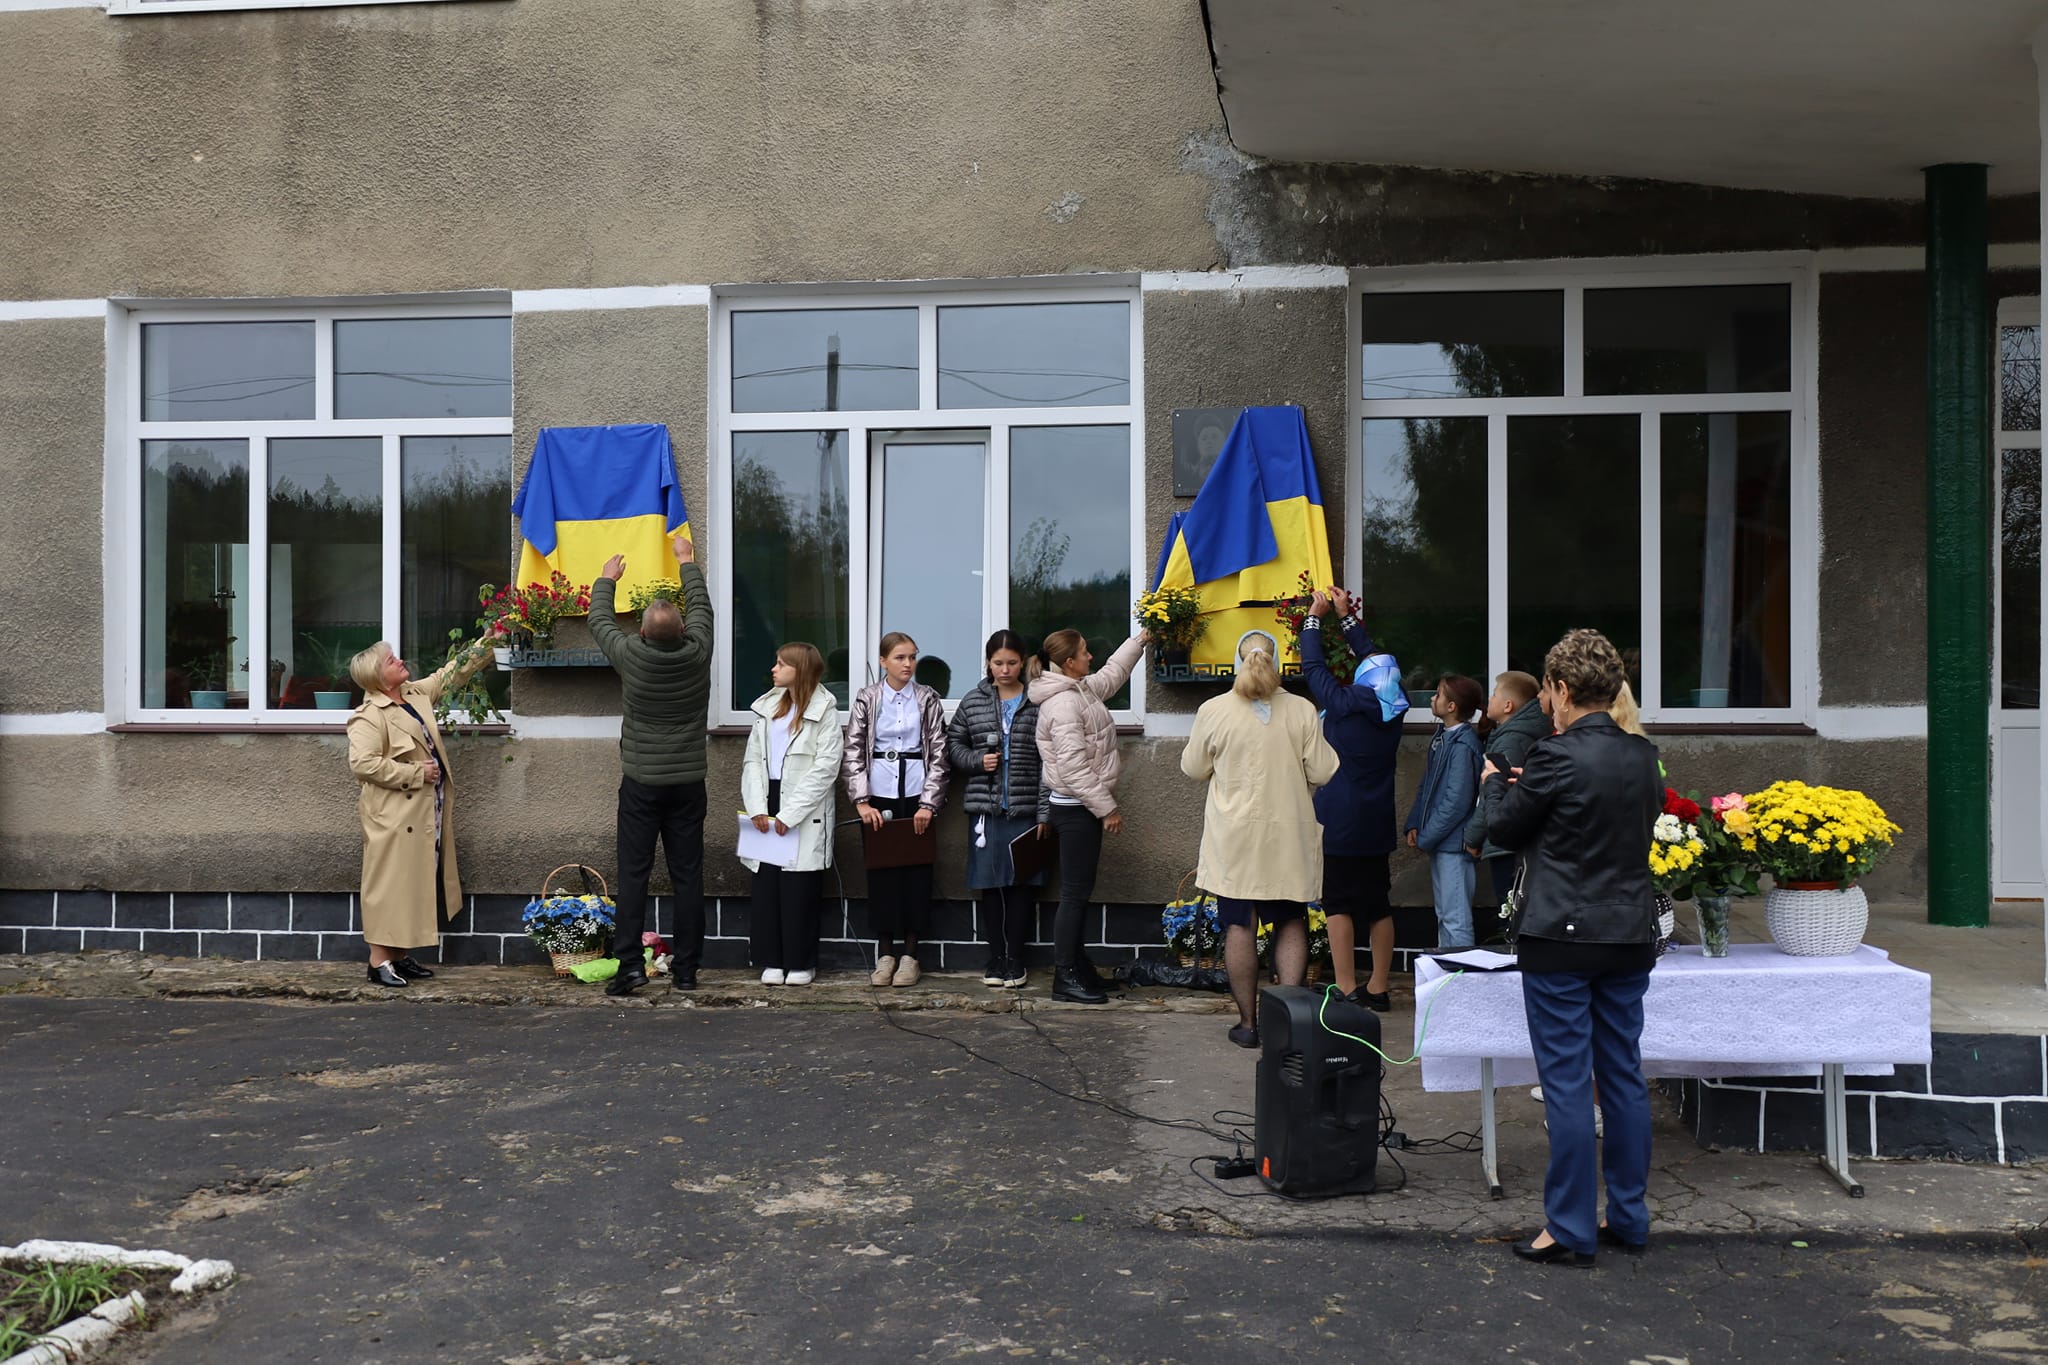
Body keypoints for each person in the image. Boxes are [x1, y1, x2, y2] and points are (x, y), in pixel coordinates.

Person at [1485, 628, 1662, 1267]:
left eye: (1550, 693)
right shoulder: (1644, 756)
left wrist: (1496, 781)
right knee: (1622, 1076)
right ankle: (1630, 1218)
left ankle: (1568, 1228)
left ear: (1558, 691)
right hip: (1629, 935)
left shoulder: (1555, 757)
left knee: (1565, 1083)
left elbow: (1504, 829)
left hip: (1560, 935)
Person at [1181, 631, 1339, 1047]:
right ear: (1277, 660)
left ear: (1236, 659)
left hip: (1235, 840)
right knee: (1290, 922)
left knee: (1239, 925)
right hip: (1287, 835)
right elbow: (1323, 772)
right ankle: (1290, 1027)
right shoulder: (1303, 710)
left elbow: (1194, 768)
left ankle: (1248, 1025)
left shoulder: (1214, 710)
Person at [589, 532, 713, 996]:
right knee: (688, 875)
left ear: (641, 632)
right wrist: (686, 560)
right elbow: (703, 609)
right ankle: (685, 971)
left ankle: (629, 969)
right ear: (683, 632)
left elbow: (599, 620)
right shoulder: (698, 652)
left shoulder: (631, 655)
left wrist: (607, 579)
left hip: (641, 784)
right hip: (687, 783)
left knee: (634, 873)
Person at [344, 633, 499, 987]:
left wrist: (488, 642)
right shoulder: (369, 716)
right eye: (390, 660)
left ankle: (398, 957)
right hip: (393, 816)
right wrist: (415, 773)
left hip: (422, 812)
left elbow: (450, 675)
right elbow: (362, 764)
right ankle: (378, 962)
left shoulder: (413, 694)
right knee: (387, 886)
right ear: (377, 677)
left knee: (413, 884)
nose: (398, 661)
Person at [1029, 625, 1149, 1003]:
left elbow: (1111, 676)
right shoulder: (1063, 704)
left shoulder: (1077, 690)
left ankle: (1078, 968)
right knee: (1074, 895)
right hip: (1076, 809)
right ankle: (1065, 977)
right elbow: (1073, 768)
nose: (1090, 656)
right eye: (1084, 652)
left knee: (1078, 893)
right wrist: (1107, 808)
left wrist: (1140, 641)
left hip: (1081, 807)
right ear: (1068, 662)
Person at [1300, 588, 1406, 1011]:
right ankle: (1379, 988)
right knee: (1379, 904)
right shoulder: (1393, 707)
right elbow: (1376, 658)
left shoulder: (1342, 705)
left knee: (1339, 903)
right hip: (1376, 821)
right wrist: (1345, 617)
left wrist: (1314, 617)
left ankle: (1346, 988)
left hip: (1339, 821)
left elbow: (1312, 666)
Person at [843, 632, 949, 987]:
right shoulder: (867, 698)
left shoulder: (927, 698)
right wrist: (861, 801)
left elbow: (939, 753)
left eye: (913, 657)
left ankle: (910, 955)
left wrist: (929, 803)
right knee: (882, 874)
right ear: (884, 661)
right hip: (879, 795)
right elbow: (854, 750)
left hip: (917, 793)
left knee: (917, 874)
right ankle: (885, 953)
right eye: (900, 657)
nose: (908, 664)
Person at [944, 630, 1045, 989]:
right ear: (988, 662)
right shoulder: (973, 701)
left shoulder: (1038, 700)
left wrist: (1044, 812)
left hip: (1025, 808)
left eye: (1012, 662)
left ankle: (1016, 959)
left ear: (1023, 661)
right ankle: (995, 957)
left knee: (1020, 885)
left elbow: (1050, 757)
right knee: (991, 886)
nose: (1005, 670)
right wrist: (976, 760)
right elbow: (952, 744)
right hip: (985, 811)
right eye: (998, 663)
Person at [740, 642, 843, 986]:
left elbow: (826, 767)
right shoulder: (769, 707)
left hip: (802, 808)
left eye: (781, 664)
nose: (774, 669)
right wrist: (757, 806)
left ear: (799, 670)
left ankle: (800, 961)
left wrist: (791, 812)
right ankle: (772, 959)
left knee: (799, 888)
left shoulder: (825, 709)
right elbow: (753, 760)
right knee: (767, 885)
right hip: (767, 803)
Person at [1404, 673, 1485, 949]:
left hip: (1453, 846)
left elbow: (1456, 803)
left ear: (1452, 707)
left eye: (1438, 694)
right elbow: (1426, 786)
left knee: (1456, 919)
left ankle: (1463, 986)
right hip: (1442, 843)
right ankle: (1447, 981)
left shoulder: (1463, 745)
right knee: (1445, 915)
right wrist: (1414, 822)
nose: (1432, 698)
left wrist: (1427, 837)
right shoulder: (1443, 738)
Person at [1463, 670, 1547, 916]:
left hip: (1507, 843)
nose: (1489, 699)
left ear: (1508, 705)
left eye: (1494, 694)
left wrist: (1472, 837)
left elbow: (1494, 790)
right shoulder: (1513, 734)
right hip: (1513, 840)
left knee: (1511, 916)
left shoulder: (1511, 741)